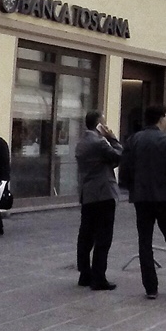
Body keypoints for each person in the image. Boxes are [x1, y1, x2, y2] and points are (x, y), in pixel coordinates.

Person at [119, 105, 166, 299]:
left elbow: (124, 167)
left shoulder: (133, 139)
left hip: (141, 197)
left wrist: (128, 187)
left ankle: (151, 288)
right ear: (161, 118)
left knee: (145, 241)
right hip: (165, 197)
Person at [75, 110, 121, 290]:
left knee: (86, 235)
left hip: (88, 193)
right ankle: (99, 277)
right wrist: (113, 137)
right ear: (98, 124)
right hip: (104, 193)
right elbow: (118, 155)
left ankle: (84, 274)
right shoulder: (100, 141)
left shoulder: (81, 143)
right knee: (103, 236)